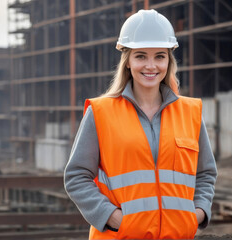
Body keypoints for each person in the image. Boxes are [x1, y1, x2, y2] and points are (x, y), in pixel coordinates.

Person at [64, 9, 217, 239]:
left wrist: (197, 213)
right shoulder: (101, 113)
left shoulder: (190, 112)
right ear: (127, 62)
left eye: (159, 56)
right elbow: (76, 176)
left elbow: (205, 173)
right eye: (141, 56)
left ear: (169, 60)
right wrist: (112, 217)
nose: (151, 66)